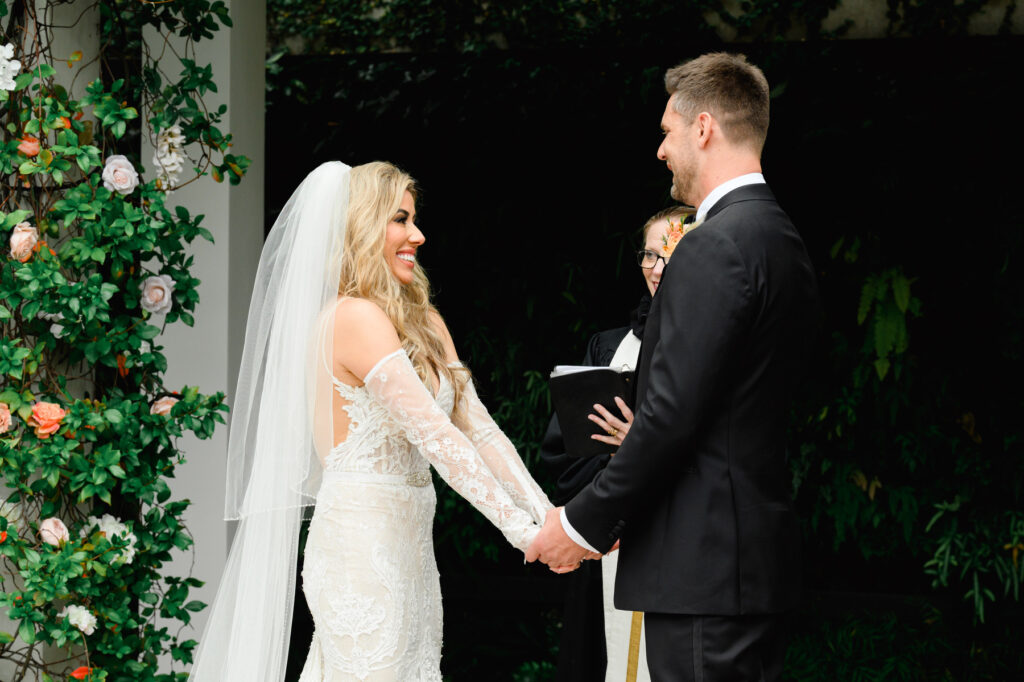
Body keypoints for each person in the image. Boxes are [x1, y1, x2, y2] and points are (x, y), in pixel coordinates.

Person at [187, 161, 552, 681]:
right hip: (360, 551)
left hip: (412, 553)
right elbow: (434, 435)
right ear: (360, 225)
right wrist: (522, 533)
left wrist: (548, 515)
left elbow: (478, 428)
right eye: (400, 220)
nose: (418, 235)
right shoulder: (351, 317)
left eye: (415, 220)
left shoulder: (425, 320)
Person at [526, 52, 821, 682]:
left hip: (701, 573)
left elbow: (667, 419)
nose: (661, 149)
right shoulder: (781, 239)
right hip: (748, 566)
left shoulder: (712, 245)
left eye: (666, 131)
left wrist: (579, 525)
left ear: (704, 128)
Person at [539, 206, 693, 682]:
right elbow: (561, 456)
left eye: (668, 253)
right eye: (648, 254)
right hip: (608, 545)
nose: (654, 268)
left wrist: (643, 443)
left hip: (683, 547)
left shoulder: (711, 349)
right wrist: (616, 452)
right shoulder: (608, 348)